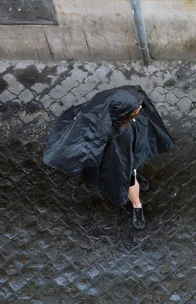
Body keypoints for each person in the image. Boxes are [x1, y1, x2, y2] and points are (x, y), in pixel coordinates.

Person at [43, 86, 175, 230]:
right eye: (135, 109)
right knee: (130, 179)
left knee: (134, 164)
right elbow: (119, 157)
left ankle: (136, 174)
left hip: (131, 148)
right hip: (122, 157)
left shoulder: (113, 105)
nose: (140, 108)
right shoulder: (114, 132)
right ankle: (137, 205)